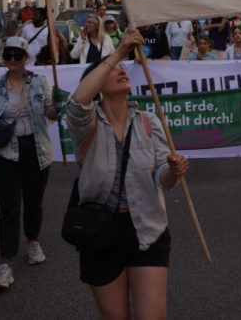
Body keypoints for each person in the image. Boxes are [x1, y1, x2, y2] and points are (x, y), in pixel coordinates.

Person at [67, 29, 189, 319]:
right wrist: (119, 51)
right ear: (96, 83)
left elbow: (163, 179)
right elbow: (77, 101)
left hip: (147, 228)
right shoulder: (86, 123)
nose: (121, 70)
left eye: (124, 67)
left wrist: (174, 171)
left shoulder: (149, 120)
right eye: (113, 69)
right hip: (100, 232)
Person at [0, 36, 57, 289]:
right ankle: (6, 264)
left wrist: (56, 106)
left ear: (26, 58)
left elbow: (50, 112)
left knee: (34, 204)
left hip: (36, 150)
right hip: (6, 153)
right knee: (9, 209)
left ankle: (33, 241)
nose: (12, 60)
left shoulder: (40, 83)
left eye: (17, 55)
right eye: (8, 55)